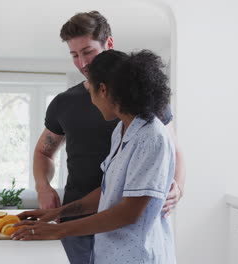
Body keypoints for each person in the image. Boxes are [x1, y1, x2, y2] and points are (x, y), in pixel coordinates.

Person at [32, 11, 185, 263]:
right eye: (74, 55)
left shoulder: (149, 129)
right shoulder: (119, 130)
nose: (82, 63)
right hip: (93, 232)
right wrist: (52, 204)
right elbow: (106, 191)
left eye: (88, 52)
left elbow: (129, 211)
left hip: (133, 244)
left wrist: (176, 186)